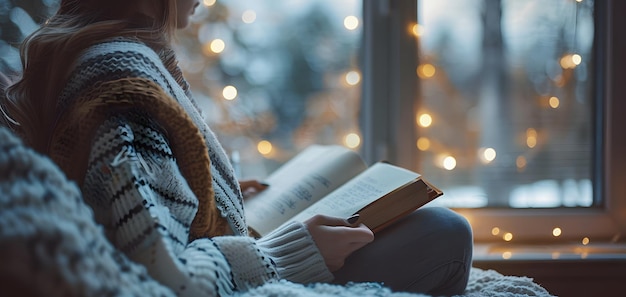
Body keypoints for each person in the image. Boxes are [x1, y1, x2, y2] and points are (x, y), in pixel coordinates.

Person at [1, 0, 473, 296]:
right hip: (248, 276)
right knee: (444, 232)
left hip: (233, 255)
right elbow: (161, 275)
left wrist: (214, 194)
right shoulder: (122, 82)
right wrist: (293, 252)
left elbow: (135, 204)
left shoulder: (95, 55)